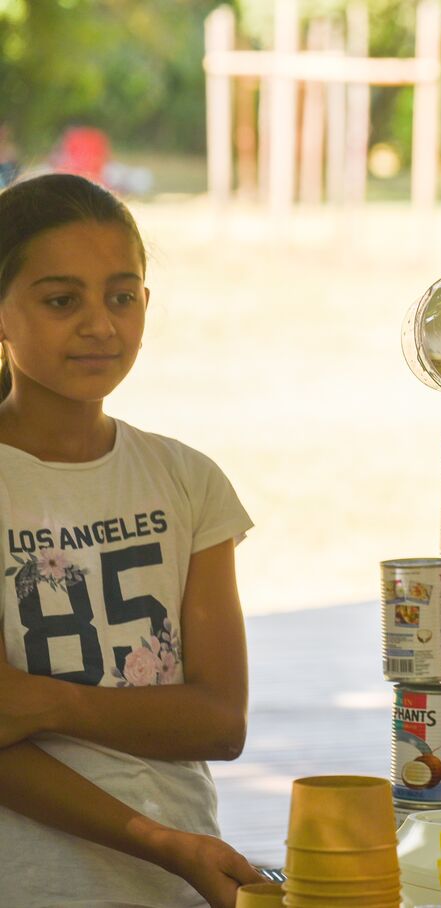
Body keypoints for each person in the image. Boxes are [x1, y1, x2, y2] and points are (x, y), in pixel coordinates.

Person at [0, 173, 263, 906]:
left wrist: (49, 705)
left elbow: (219, 719)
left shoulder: (188, 479)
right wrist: (160, 842)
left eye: (121, 296)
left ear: (146, 304)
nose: (100, 325)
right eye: (61, 300)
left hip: (181, 883)